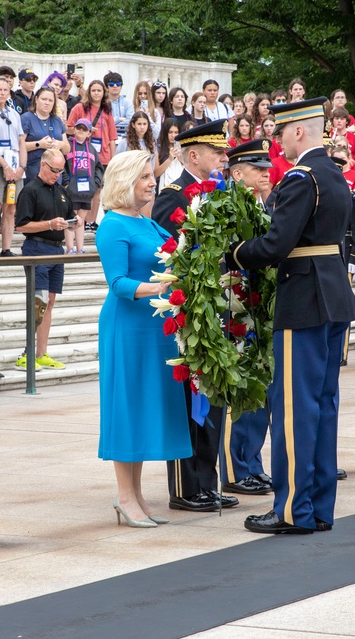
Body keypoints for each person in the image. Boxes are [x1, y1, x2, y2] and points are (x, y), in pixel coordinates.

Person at [227, 99, 355, 534]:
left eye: (280, 133)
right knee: (322, 407)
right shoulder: (334, 174)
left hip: (304, 298)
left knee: (293, 410)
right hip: (332, 296)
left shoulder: (303, 178)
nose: (276, 141)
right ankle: (319, 507)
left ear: (298, 132)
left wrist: (232, 253)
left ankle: (291, 510)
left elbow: (274, 245)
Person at [96, 150, 192, 527]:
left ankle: (135, 495)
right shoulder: (113, 226)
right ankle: (124, 496)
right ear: (124, 181)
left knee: (144, 406)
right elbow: (118, 283)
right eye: (145, 178)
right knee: (128, 406)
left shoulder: (147, 223)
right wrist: (162, 288)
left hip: (155, 326)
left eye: (152, 177)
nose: (153, 183)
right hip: (128, 327)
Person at [152, 118, 237, 514]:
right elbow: (173, 255)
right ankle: (187, 488)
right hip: (192, 310)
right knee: (194, 401)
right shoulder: (173, 195)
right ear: (193, 154)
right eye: (217, 152)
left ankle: (207, 482)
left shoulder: (218, 192)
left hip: (217, 304)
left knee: (213, 396)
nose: (223, 157)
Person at [220, 139, 275, 496]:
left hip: (257, 306)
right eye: (259, 169)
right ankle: (235, 468)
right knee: (237, 391)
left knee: (258, 390)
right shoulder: (224, 207)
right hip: (233, 307)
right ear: (238, 174)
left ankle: (252, 463)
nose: (267, 174)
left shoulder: (261, 205)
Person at [14, 150, 73, 371]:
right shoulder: (30, 190)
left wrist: (72, 223)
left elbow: (67, 217)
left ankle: (41, 352)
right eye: (54, 169)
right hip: (37, 247)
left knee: (49, 302)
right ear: (43, 165)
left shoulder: (60, 191)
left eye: (61, 170)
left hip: (56, 250)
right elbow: (20, 226)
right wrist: (49, 224)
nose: (58, 174)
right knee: (37, 302)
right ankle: (27, 353)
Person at [0, 77, 27, 257]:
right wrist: (4, 165)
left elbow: (22, 142)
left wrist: (22, 167)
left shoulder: (14, 114)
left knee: (11, 207)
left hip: (15, 166)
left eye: (5, 90)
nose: (2, 93)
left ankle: (7, 248)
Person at [67, 79, 116, 228]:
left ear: (103, 93)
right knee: (81, 188)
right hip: (82, 154)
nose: (96, 93)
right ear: (89, 92)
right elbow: (68, 128)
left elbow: (113, 137)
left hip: (103, 155)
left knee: (97, 190)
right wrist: (86, 130)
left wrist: (113, 159)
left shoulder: (107, 111)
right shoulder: (79, 108)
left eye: (99, 90)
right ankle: (79, 220)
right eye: (93, 90)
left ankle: (91, 221)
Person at [63, 118, 102, 254]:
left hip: (86, 190)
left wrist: (95, 183)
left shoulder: (91, 149)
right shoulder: (67, 145)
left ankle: (80, 248)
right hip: (71, 189)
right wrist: (66, 183)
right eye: (78, 128)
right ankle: (70, 248)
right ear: (74, 129)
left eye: (84, 129)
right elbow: (62, 165)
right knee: (70, 219)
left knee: (81, 220)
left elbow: (98, 168)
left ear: (89, 133)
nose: (80, 131)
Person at [20, 86, 68, 182]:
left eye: (50, 100)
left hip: (55, 175)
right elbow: (19, 146)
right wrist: (39, 144)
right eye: (44, 99)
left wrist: (60, 144)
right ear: (36, 99)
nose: (47, 103)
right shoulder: (26, 118)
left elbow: (67, 149)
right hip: (33, 172)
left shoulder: (57, 120)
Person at [154, 117, 183, 191]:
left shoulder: (182, 148)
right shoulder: (158, 148)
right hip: (162, 187)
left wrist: (181, 159)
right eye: (170, 132)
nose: (173, 136)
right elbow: (156, 173)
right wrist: (170, 159)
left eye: (176, 132)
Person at [104, 71, 133, 136]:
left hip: (125, 138)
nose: (115, 86)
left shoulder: (127, 102)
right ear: (106, 87)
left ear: (121, 86)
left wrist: (112, 122)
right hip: (107, 137)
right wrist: (119, 119)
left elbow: (131, 122)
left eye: (118, 84)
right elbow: (104, 123)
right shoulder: (103, 103)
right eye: (111, 84)